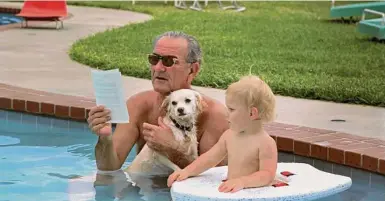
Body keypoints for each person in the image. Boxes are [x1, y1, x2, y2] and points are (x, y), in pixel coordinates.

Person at [87, 31, 229, 173]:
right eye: (154, 59)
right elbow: (108, 168)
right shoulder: (137, 105)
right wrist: (105, 139)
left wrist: (174, 150)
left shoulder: (215, 115)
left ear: (193, 69)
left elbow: (213, 183)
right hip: (141, 190)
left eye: (168, 61)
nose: (158, 68)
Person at [167, 75, 279, 193]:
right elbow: (210, 158)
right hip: (233, 190)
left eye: (231, 109)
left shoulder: (265, 143)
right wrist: (187, 171)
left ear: (252, 113)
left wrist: (242, 182)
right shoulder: (229, 136)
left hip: (255, 193)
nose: (227, 113)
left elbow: (267, 175)